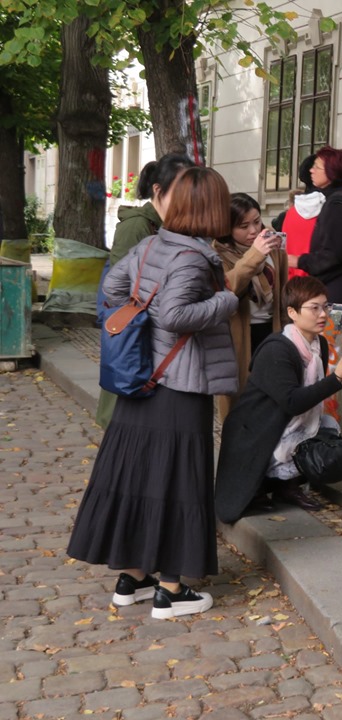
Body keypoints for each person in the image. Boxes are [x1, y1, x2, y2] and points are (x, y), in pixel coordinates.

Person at [68, 166, 239, 620]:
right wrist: (227, 298)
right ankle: (171, 588)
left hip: (143, 380)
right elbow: (178, 315)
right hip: (179, 384)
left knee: (140, 478)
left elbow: (112, 287)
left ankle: (134, 576)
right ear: (210, 208)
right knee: (180, 481)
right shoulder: (192, 257)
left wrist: (143, 314)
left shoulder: (152, 244)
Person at [215, 276, 342, 522]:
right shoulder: (277, 349)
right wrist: (337, 378)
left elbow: (307, 403)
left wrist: (335, 379)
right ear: (292, 313)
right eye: (314, 308)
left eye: (325, 306)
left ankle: (287, 486)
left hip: (288, 421)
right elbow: (293, 402)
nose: (322, 314)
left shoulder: (319, 344)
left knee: (332, 450)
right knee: (298, 435)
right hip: (256, 429)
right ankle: (265, 485)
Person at [95, 153, 196, 428]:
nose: (188, 197)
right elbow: (118, 288)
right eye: (180, 189)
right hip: (135, 333)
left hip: (158, 337)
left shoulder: (176, 227)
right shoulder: (138, 225)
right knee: (123, 417)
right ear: (158, 190)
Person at [213, 193, 287, 418]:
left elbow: (282, 293)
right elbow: (228, 287)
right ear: (227, 228)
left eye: (257, 221)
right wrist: (254, 256)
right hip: (237, 335)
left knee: (270, 398)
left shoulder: (273, 248)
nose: (253, 231)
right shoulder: (217, 253)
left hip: (270, 331)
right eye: (243, 226)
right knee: (238, 403)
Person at [284, 146, 342, 303]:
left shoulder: (337, 204)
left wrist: (298, 261)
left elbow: (333, 254)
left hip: (337, 287)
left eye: (317, 167)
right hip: (336, 285)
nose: (311, 171)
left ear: (331, 172)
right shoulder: (336, 200)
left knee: (329, 328)